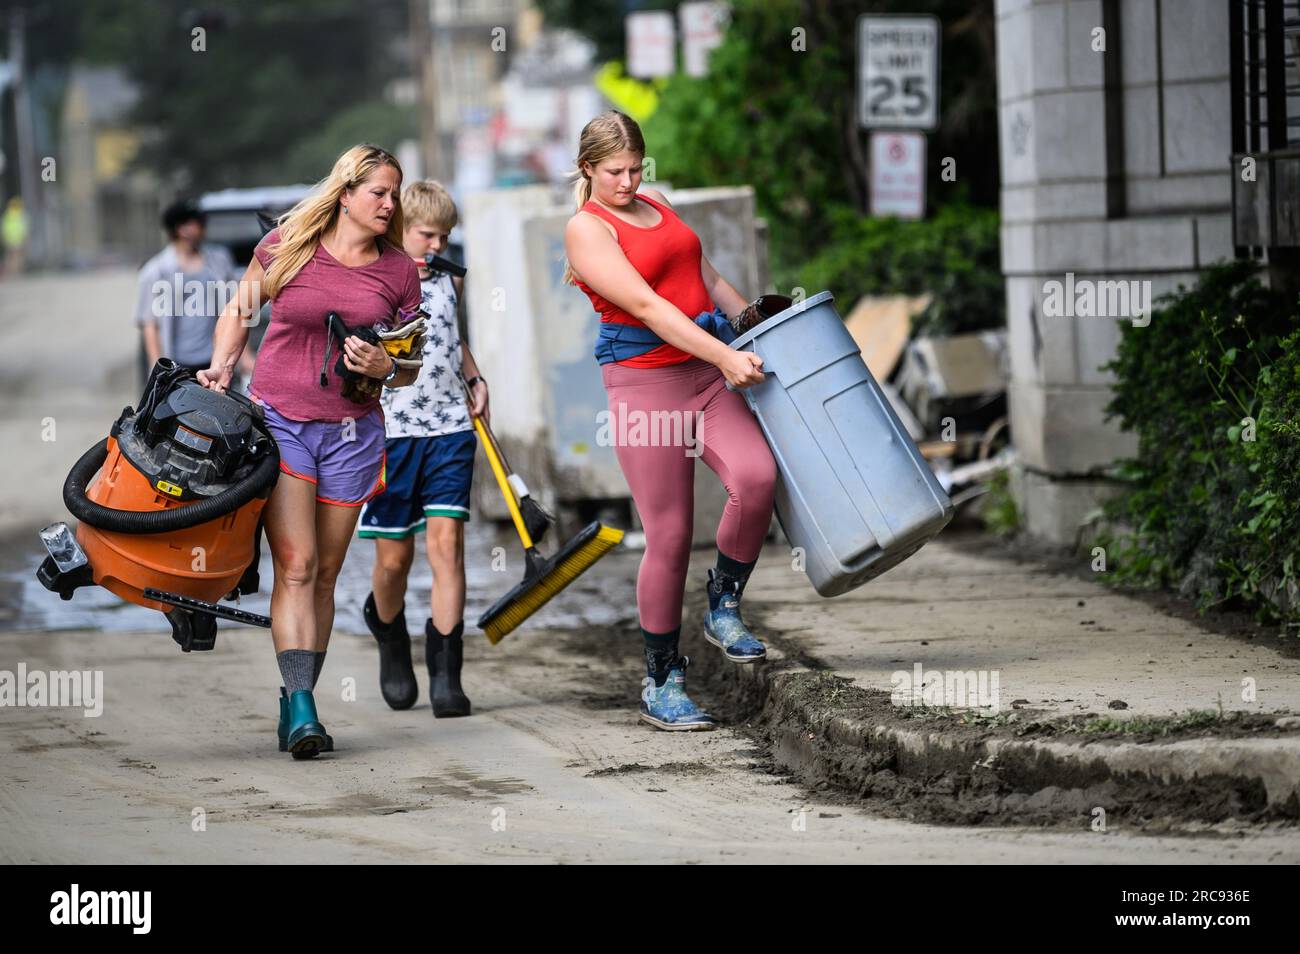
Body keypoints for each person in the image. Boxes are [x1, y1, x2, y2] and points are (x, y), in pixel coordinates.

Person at [197, 144, 422, 759]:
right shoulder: (287, 246)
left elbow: (411, 364)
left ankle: (295, 697)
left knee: (324, 572)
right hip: (282, 422)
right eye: (379, 191)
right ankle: (303, 710)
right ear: (345, 193)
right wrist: (221, 365)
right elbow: (240, 310)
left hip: (353, 434)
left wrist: (388, 365)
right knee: (295, 565)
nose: (389, 203)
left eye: (395, 193)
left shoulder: (399, 271)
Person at [562, 111, 777, 732]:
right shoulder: (587, 229)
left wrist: (755, 325)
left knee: (757, 478)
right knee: (671, 534)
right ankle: (662, 681)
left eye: (635, 168)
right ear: (587, 171)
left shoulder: (654, 203)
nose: (628, 182)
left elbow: (704, 277)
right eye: (614, 172)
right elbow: (649, 306)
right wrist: (726, 356)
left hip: (705, 375)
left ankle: (724, 605)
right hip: (645, 388)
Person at [358, 180, 489, 718]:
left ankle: (445, 674)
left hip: (450, 429)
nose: (437, 246)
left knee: (446, 546)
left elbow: (451, 341)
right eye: (427, 235)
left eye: (445, 236)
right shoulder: (375, 283)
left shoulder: (445, 282)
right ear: (398, 230)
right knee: (394, 559)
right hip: (391, 434)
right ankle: (390, 638)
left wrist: (476, 377)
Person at [136, 198, 250, 377]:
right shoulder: (155, 271)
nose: (203, 227)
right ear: (182, 229)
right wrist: (157, 368)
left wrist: (245, 356)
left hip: (214, 362)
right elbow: (150, 325)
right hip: (176, 365)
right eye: (198, 222)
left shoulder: (219, 261)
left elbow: (237, 311)